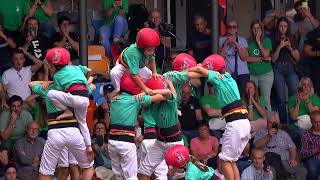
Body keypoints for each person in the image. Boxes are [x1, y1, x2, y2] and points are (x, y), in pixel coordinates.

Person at [187, 54, 251, 180]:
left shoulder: (217, 77)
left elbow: (200, 71)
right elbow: (202, 70)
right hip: (244, 123)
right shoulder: (229, 78)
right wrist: (201, 66)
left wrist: (184, 70)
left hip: (235, 124)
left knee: (224, 160)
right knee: (231, 160)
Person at [28, 80, 94, 180]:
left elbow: (31, 84)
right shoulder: (74, 91)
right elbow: (93, 86)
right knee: (87, 167)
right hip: (73, 131)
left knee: (45, 173)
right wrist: (76, 83)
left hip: (55, 132)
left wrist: (49, 82)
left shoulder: (50, 89)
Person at [108, 74, 167, 179]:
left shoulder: (113, 100)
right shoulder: (135, 99)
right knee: (131, 177)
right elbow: (160, 97)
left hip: (112, 142)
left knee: (119, 176)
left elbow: (116, 93)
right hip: (126, 142)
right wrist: (146, 91)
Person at [44, 47, 93, 150]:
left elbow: (59, 90)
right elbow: (86, 69)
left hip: (74, 97)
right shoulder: (77, 68)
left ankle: (66, 111)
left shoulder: (57, 75)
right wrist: (86, 75)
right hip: (85, 99)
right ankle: (89, 146)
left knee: (50, 93)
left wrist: (49, 81)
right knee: (82, 123)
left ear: (54, 65)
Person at [138, 77, 184, 180]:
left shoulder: (171, 102)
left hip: (174, 142)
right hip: (159, 142)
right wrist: (148, 92)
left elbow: (168, 93)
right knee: (142, 173)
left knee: (179, 175)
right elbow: (142, 99)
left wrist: (151, 91)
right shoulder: (151, 103)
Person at [110, 28, 160, 94]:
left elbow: (152, 58)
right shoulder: (133, 52)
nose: (152, 52)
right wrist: (145, 88)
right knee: (114, 73)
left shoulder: (149, 48)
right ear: (141, 48)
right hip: (123, 66)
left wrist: (154, 72)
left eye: (153, 50)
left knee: (151, 76)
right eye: (149, 50)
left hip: (137, 66)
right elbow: (133, 75)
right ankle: (117, 91)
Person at [254, 111, 300, 179]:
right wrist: (268, 136)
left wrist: (292, 159)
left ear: (277, 123)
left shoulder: (284, 134)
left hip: (284, 160)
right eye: (270, 122)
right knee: (271, 159)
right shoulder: (261, 132)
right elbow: (256, 145)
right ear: (267, 122)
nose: (272, 125)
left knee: (278, 165)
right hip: (267, 162)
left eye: (274, 123)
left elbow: (292, 148)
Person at [272, 16, 300, 125]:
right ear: (277, 27)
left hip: (290, 68)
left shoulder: (292, 38)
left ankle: (294, 123)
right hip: (278, 67)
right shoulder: (273, 39)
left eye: (285, 26)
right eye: (280, 26)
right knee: (281, 98)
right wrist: (280, 46)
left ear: (288, 27)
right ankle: (284, 124)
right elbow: (273, 59)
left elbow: (297, 58)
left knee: (294, 94)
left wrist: (290, 48)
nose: (283, 28)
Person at [246, 20, 273, 111]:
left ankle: (269, 123)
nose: (256, 30)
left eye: (258, 28)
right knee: (252, 99)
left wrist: (258, 41)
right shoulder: (247, 42)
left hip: (266, 73)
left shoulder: (267, 40)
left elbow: (266, 54)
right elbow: (246, 58)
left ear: (262, 29)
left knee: (266, 100)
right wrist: (260, 59)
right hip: (252, 74)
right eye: (254, 28)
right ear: (251, 30)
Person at [219, 19, 249, 96]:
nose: (232, 29)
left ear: (237, 29)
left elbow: (244, 58)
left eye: (234, 27)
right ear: (227, 28)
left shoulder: (242, 40)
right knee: (230, 96)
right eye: (230, 27)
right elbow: (220, 58)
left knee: (241, 96)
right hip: (228, 73)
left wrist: (236, 44)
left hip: (242, 73)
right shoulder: (221, 40)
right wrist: (226, 43)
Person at [300, 110, 320, 180]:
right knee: (312, 169)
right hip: (313, 158)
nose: (318, 124)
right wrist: (316, 150)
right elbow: (303, 154)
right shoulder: (306, 135)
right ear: (311, 122)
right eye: (316, 122)